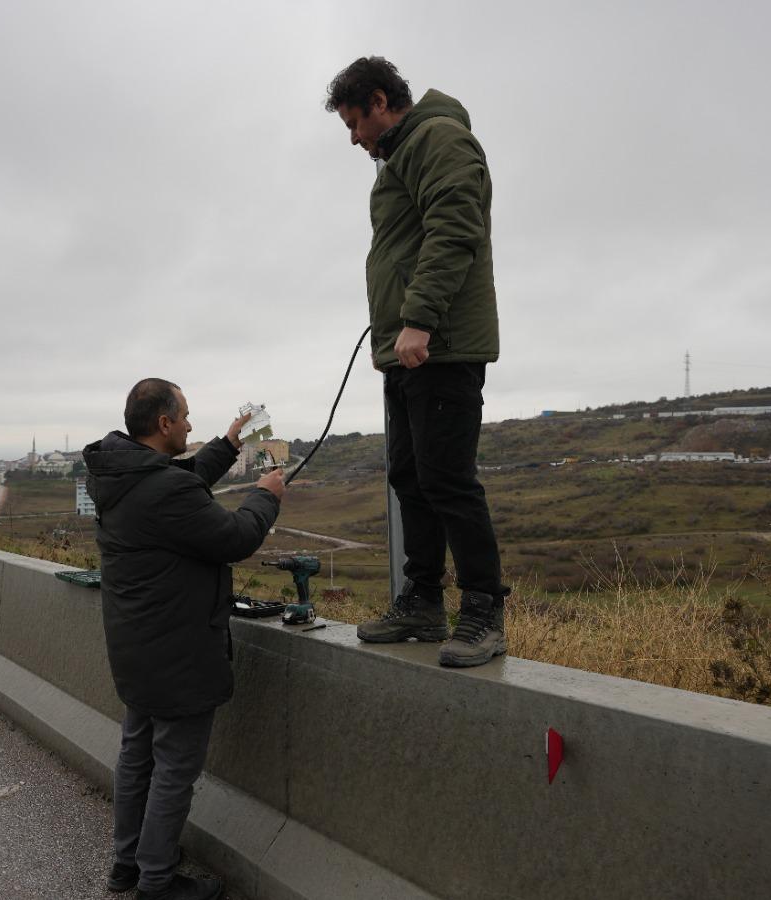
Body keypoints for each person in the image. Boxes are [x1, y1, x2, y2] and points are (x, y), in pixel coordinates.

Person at [325, 57, 510, 668]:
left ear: (380, 101)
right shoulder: (400, 158)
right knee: (410, 477)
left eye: (355, 122)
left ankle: (483, 611)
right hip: (404, 353)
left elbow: (455, 228)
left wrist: (420, 319)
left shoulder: (439, 138)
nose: (354, 137)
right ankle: (424, 602)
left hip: (442, 345)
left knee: (448, 480)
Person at [82, 378, 285, 900]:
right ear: (165, 423)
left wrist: (232, 439)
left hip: (137, 647)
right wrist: (266, 497)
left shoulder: (122, 475)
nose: (192, 425)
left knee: (137, 756)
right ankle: (156, 881)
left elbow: (185, 479)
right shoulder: (162, 489)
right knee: (173, 769)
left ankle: (125, 865)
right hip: (179, 652)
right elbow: (235, 538)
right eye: (187, 417)